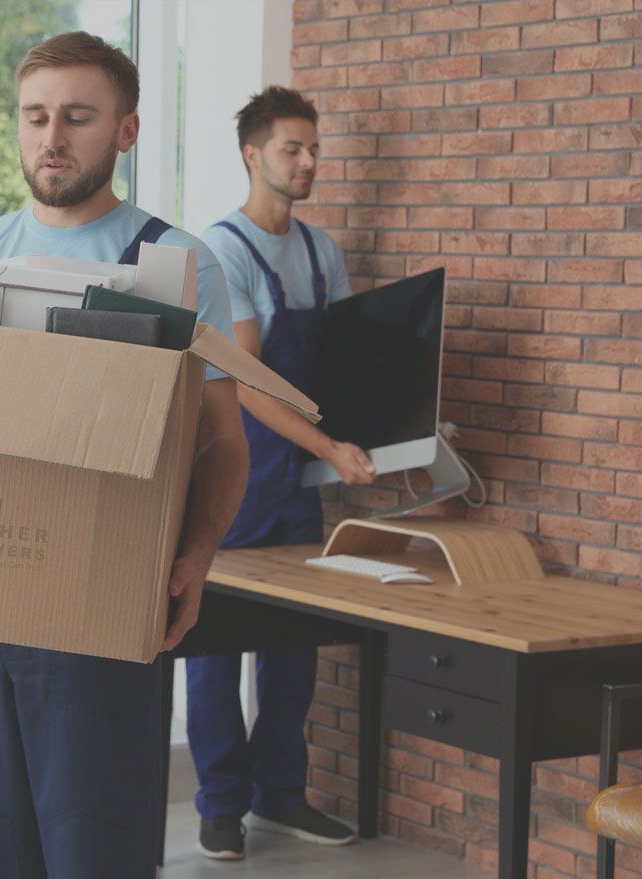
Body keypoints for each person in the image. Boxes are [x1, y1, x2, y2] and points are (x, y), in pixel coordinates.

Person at [0, 31, 248, 879]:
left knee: (97, 846)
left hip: (105, 598)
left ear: (125, 132)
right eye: (34, 117)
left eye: (77, 117)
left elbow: (222, 440)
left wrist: (197, 557)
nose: (51, 138)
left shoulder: (175, 265)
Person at [186, 86, 376, 861]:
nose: (306, 162)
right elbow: (247, 383)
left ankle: (282, 795)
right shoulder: (219, 250)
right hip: (230, 477)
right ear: (251, 154)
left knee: (293, 650)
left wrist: (392, 435)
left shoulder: (320, 250)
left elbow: (342, 364)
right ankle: (220, 806)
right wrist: (331, 451)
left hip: (295, 488)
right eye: (291, 148)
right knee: (213, 651)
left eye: (313, 149)